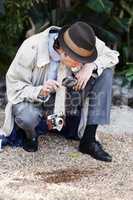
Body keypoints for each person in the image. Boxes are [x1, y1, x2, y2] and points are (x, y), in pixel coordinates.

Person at [1, 21, 119, 162]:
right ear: (63, 52)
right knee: (26, 114)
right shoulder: (31, 47)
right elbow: (14, 86)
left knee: (105, 73)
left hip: (68, 105)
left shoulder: (82, 41)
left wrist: (91, 65)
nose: (80, 64)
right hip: (39, 105)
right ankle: (30, 136)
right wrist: (40, 90)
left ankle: (88, 140)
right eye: (78, 61)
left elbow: (112, 56)